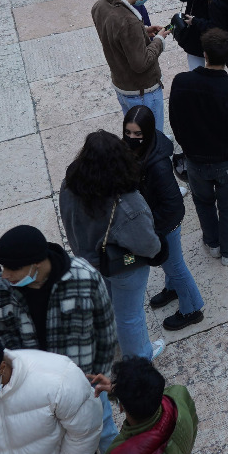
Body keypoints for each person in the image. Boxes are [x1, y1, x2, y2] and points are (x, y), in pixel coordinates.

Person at [0, 224, 120, 454]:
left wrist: (96, 378)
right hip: (37, 389)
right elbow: (4, 336)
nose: (4, 275)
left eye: (11, 268)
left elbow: (106, 331)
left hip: (84, 383)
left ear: (36, 264)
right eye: (2, 267)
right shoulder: (2, 289)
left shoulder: (84, 277)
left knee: (105, 432)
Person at [58, 130, 162, 361]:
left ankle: (113, 340)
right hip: (123, 268)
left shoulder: (69, 185)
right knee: (130, 316)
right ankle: (140, 359)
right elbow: (148, 246)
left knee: (110, 306)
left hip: (88, 263)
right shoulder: (127, 204)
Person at [170, 28, 228, 262]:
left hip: (195, 160)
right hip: (227, 161)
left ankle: (212, 242)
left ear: (204, 53)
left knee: (203, 202)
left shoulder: (181, 82)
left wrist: (189, 145)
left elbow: (175, 120)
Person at [124, 106, 203, 330]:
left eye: (137, 134)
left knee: (176, 265)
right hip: (158, 222)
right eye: (128, 133)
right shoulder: (145, 151)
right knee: (170, 264)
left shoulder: (157, 165)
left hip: (165, 225)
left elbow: (172, 204)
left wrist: (152, 230)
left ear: (147, 133)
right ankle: (173, 289)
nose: (131, 138)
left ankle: (192, 309)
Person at [92, 0, 169, 122]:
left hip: (121, 85)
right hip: (142, 92)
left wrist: (143, 31)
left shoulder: (100, 6)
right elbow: (141, 63)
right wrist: (159, 40)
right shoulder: (129, 21)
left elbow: (115, 36)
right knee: (152, 138)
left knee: (134, 135)